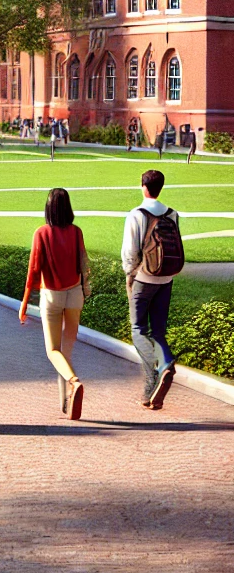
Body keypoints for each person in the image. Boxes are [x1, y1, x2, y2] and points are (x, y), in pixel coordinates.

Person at [18, 186, 91, 419]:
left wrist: (24, 304)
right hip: (75, 295)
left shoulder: (41, 233)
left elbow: (33, 271)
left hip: (52, 296)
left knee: (52, 351)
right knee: (65, 353)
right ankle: (65, 402)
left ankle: (74, 382)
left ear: (48, 208)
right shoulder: (76, 231)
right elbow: (83, 263)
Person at [121, 168, 184, 410]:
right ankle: (159, 373)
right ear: (160, 187)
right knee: (158, 331)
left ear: (143, 187)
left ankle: (158, 372)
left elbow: (130, 252)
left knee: (138, 329)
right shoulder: (173, 214)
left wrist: (130, 274)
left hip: (144, 278)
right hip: (166, 278)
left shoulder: (136, 214)